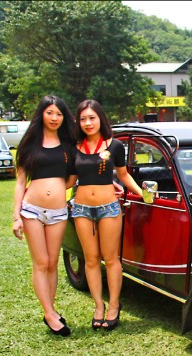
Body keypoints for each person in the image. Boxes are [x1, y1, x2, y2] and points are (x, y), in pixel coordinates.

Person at [67, 99, 143, 331]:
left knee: (111, 260)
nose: (88, 123)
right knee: (90, 260)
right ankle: (98, 306)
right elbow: (69, 180)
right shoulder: (74, 147)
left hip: (109, 207)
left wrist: (143, 194)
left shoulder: (115, 146)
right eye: (83, 119)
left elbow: (123, 175)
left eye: (92, 118)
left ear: (101, 118)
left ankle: (114, 305)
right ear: (78, 122)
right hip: (81, 209)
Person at [12, 95, 76, 337]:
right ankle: (50, 314)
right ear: (42, 114)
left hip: (59, 211)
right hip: (32, 211)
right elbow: (20, 183)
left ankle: (51, 309)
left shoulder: (68, 145)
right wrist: (16, 215)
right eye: (50, 113)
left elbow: (72, 177)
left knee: (52, 263)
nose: (54, 118)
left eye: (59, 114)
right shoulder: (29, 144)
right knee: (40, 262)